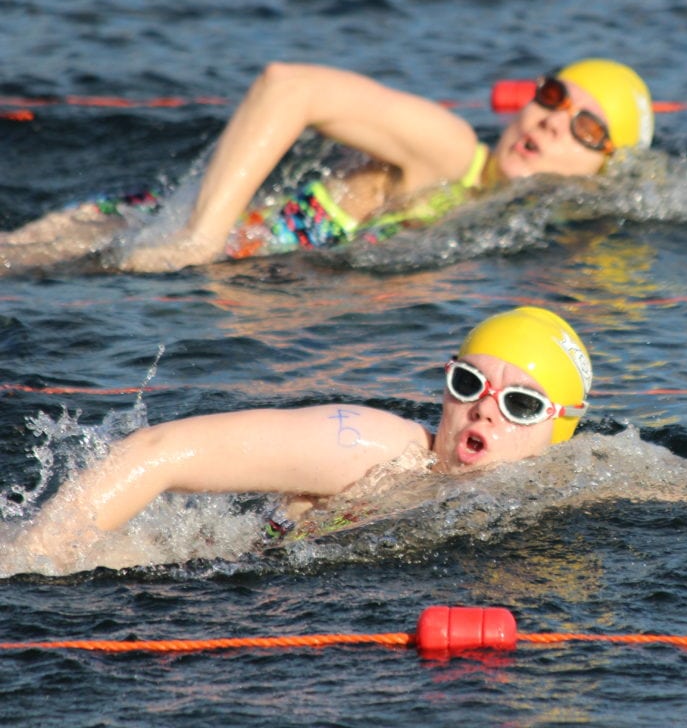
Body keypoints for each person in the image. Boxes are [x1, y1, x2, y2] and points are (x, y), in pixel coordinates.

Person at [10, 306, 593, 569]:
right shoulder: (370, 445)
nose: (483, 412)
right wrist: (32, 560)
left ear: (560, 427)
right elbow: (154, 452)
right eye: (468, 383)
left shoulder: (571, 480)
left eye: (520, 403)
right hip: (203, 582)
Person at [0, 58, 654, 272]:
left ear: (608, 167)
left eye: (585, 127)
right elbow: (288, 85)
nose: (549, 120)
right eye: (550, 96)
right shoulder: (452, 150)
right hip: (140, 239)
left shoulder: (499, 221)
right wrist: (197, 238)